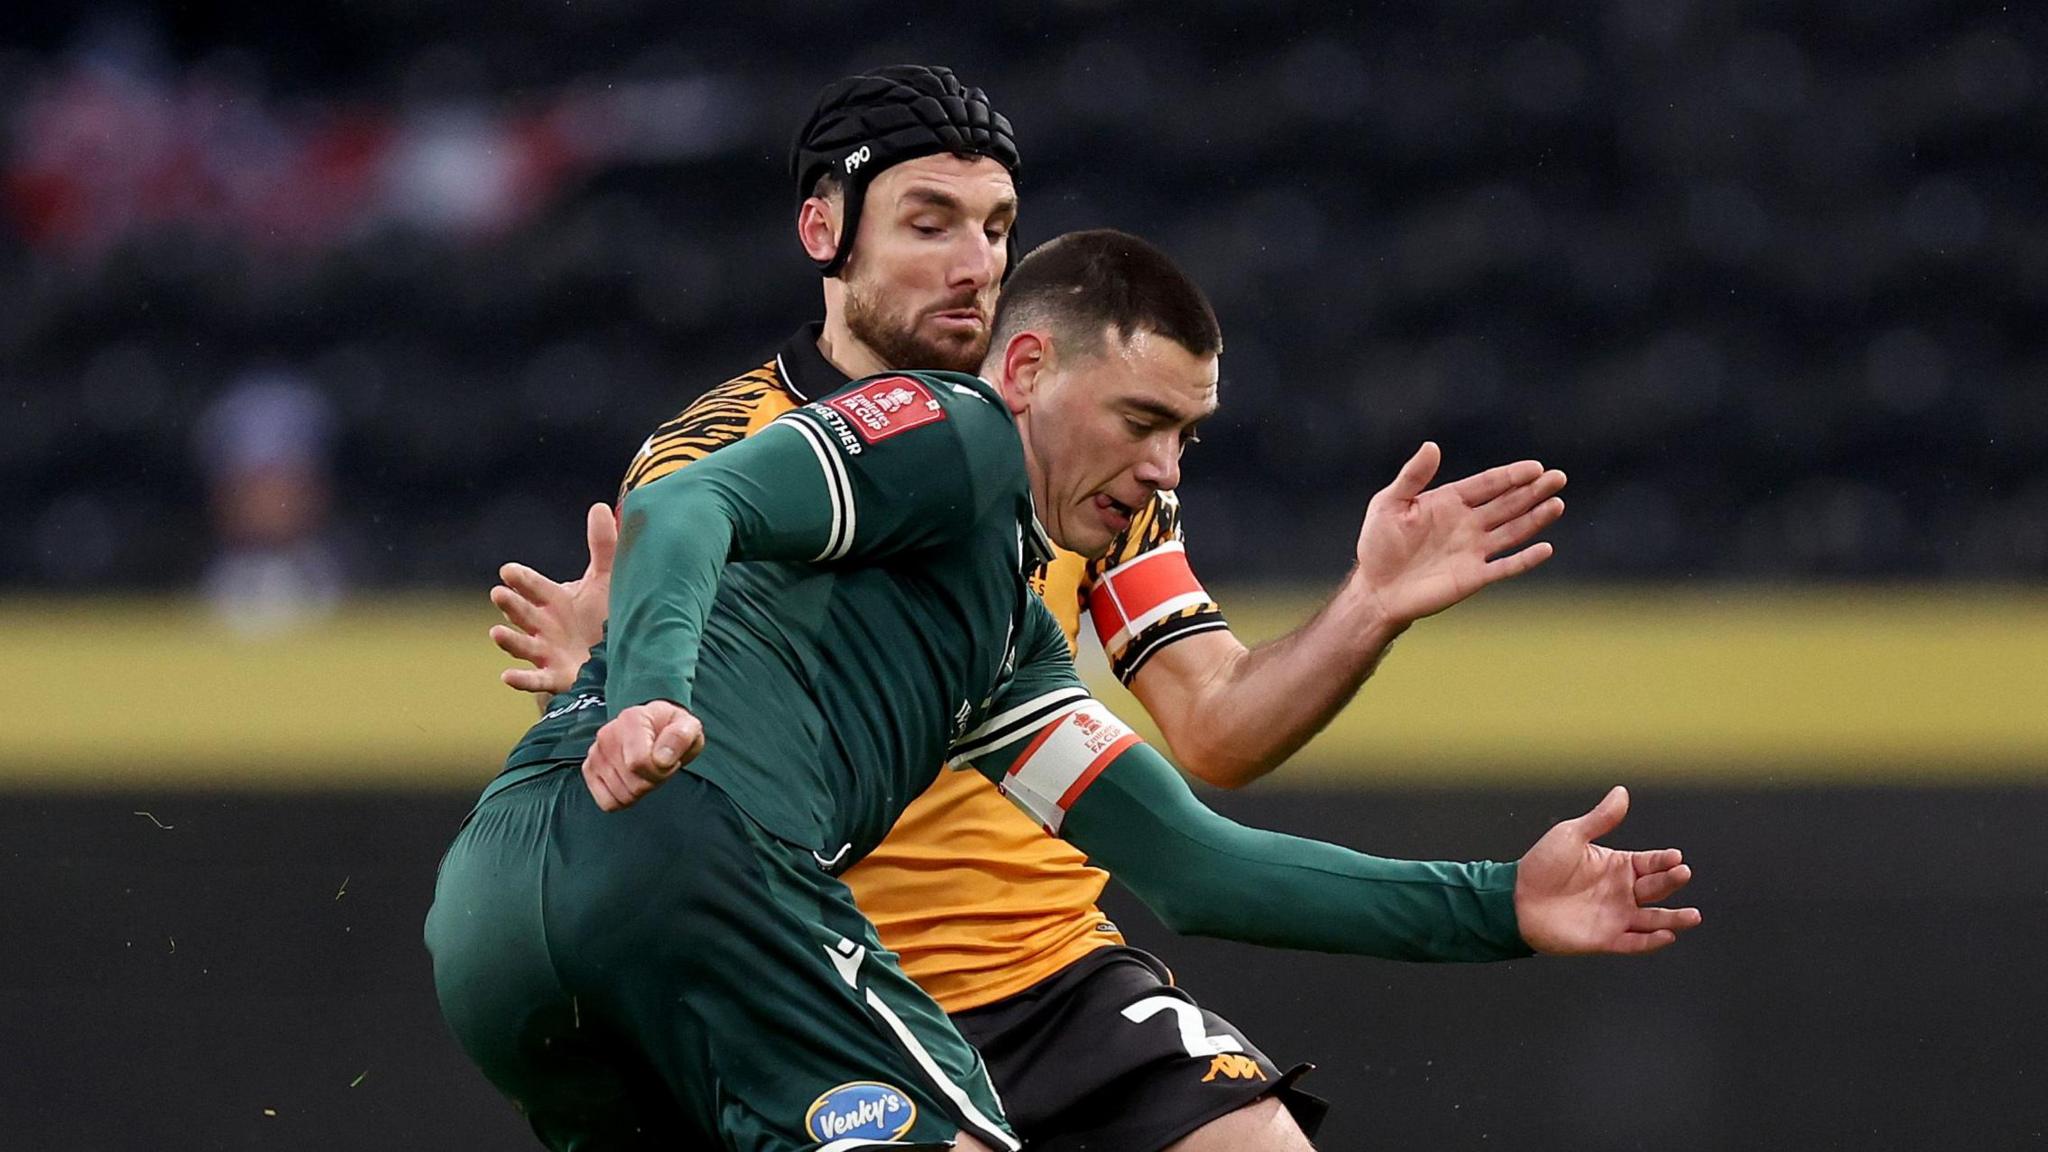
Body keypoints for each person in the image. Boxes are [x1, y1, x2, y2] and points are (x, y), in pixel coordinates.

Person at [431, 228, 1700, 1152]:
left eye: (1185, 438)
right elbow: (680, 510)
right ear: (1027, 369)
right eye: (1141, 422)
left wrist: (1498, 902)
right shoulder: (953, 432)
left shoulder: (1006, 647)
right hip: (713, 882)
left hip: (504, 920)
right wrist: (644, 685)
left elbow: (1196, 866)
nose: (1163, 469)